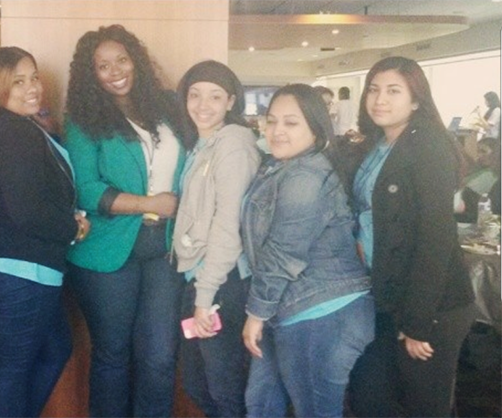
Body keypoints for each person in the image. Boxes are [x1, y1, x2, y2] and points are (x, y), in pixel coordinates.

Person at [64, 24, 191, 418]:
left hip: (165, 247)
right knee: (113, 354)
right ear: (91, 74)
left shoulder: (168, 107)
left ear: (135, 59)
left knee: (159, 355)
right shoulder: (83, 118)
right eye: (102, 65)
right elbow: (86, 189)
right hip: (106, 250)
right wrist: (151, 202)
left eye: (121, 59)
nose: (115, 70)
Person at [0, 46, 88, 418]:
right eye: (18, 81)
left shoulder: (12, 127)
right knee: (12, 371)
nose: (32, 87)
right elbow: (29, 212)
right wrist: (74, 229)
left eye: (34, 77)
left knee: (54, 349)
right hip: (18, 268)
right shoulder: (10, 132)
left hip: (14, 264)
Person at [348, 56, 476, 418]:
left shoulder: (429, 146)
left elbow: (435, 240)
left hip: (431, 305)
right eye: (373, 90)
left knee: (425, 404)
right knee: (372, 395)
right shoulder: (377, 145)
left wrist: (418, 322)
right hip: (387, 294)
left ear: (416, 99)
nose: (379, 99)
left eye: (393, 91)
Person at [241, 83, 374, 418]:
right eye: (271, 121)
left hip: (322, 311)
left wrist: (256, 313)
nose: (277, 131)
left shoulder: (305, 175)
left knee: (315, 411)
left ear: (316, 129)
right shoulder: (280, 166)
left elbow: (283, 252)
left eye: (291, 122)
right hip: (288, 308)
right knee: (260, 404)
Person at [172, 60, 260, 418]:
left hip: (222, 283)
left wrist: (205, 296)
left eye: (214, 96)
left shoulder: (234, 144)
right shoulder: (203, 143)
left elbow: (228, 226)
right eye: (194, 95)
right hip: (197, 277)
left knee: (224, 388)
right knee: (198, 383)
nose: (202, 105)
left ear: (230, 101)